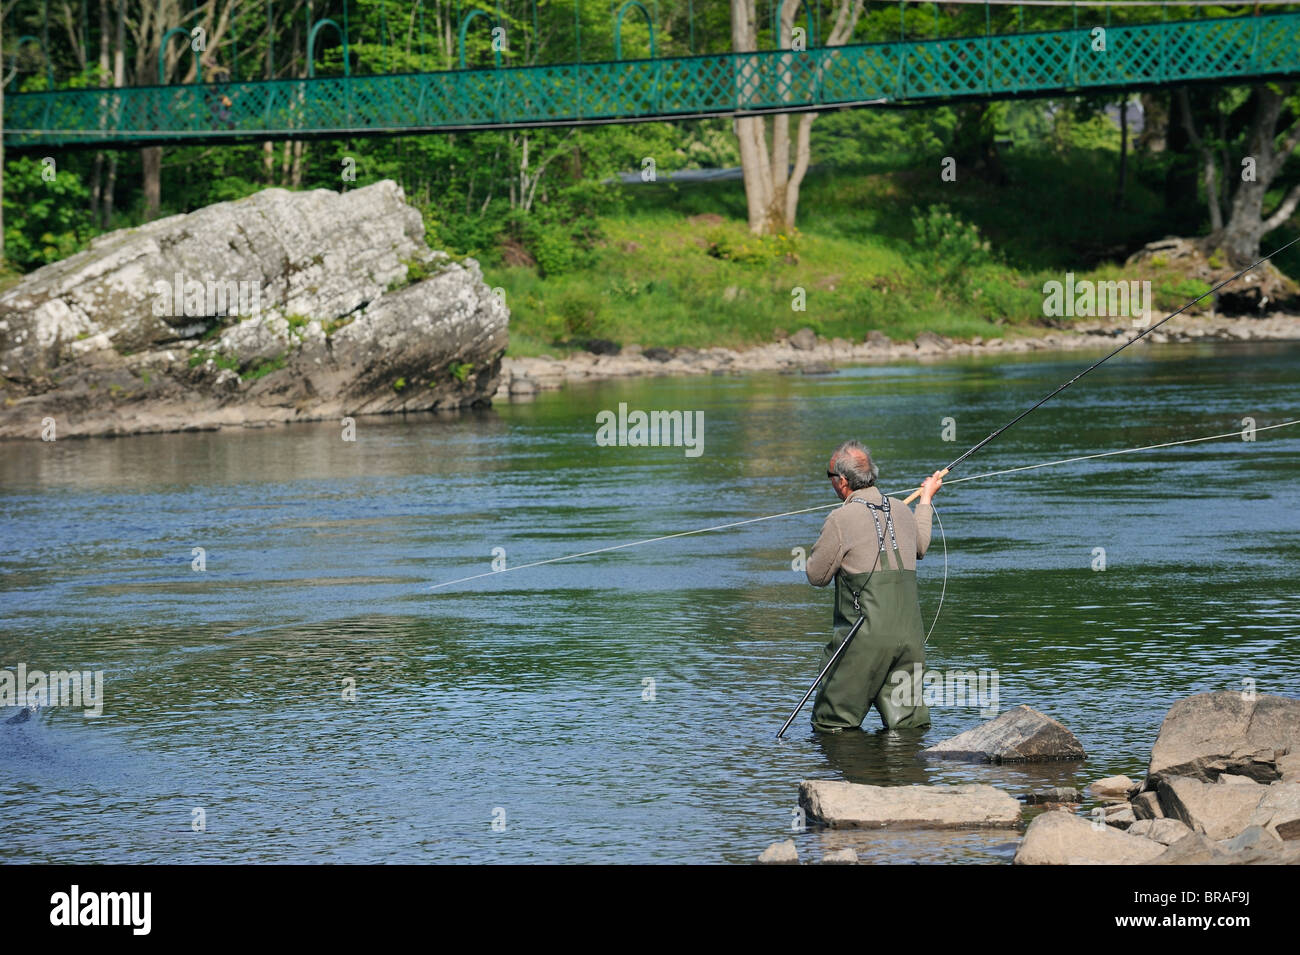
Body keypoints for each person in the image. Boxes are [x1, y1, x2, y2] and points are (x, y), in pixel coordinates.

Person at [805, 440, 944, 732]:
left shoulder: (840, 519)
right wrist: (926, 500)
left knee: (832, 724)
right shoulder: (901, 510)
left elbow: (816, 576)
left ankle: (848, 774)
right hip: (910, 639)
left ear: (842, 481)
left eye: (830, 477)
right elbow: (921, 546)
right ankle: (908, 772)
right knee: (908, 727)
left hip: (863, 639)